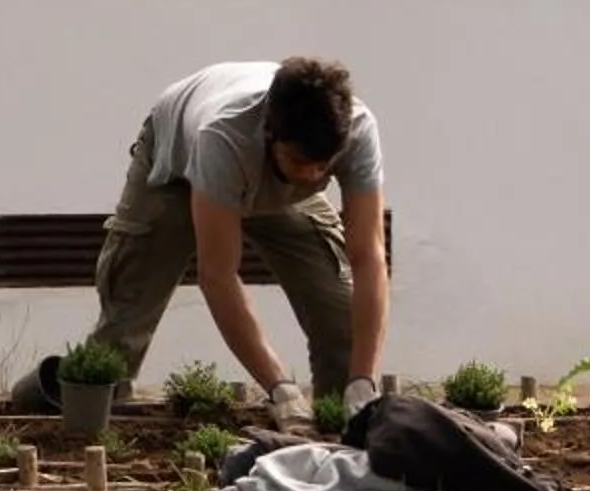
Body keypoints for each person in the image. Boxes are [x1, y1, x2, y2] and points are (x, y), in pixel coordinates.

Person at [84, 57, 387, 429]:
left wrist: (364, 381)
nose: (313, 174)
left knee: (338, 307)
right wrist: (280, 388)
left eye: (323, 165)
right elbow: (218, 275)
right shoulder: (223, 137)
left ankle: (339, 424)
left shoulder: (357, 129)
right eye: (300, 160)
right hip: (175, 172)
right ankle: (74, 419)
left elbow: (369, 256)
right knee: (125, 319)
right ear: (271, 133)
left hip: (272, 187)